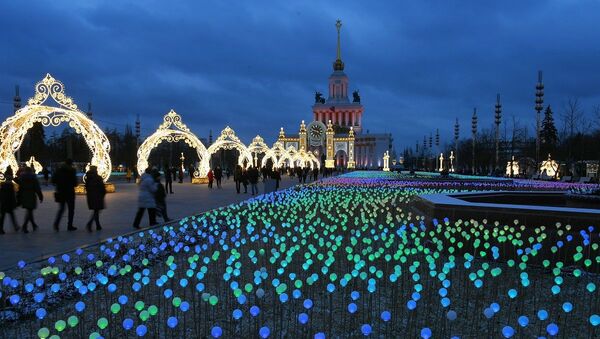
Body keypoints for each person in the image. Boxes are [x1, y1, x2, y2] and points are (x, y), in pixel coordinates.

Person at [52, 159, 78, 231]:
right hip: (70, 192)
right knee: (71, 210)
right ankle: (69, 225)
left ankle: (56, 223)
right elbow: (75, 183)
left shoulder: (59, 170)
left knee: (61, 209)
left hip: (61, 192)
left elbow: (53, 180)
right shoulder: (72, 171)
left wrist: (59, 183)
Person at [17, 166, 43, 233]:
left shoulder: (21, 178)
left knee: (29, 210)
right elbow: (37, 187)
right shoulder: (33, 178)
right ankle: (24, 226)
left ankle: (33, 225)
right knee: (29, 211)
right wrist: (40, 196)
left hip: (24, 195)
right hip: (31, 195)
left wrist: (19, 196)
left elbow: (19, 188)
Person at [84, 166, 106, 231]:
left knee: (96, 210)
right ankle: (90, 223)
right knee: (97, 210)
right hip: (97, 195)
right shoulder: (98, 178)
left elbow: (87, 187)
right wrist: (103, 194)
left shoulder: (88, 177)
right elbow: (102, 187)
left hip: (90, 196)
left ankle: (98, 225)